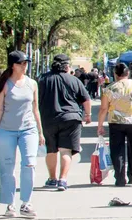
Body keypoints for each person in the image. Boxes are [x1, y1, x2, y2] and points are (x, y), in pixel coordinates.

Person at [0, 51, 45, 218]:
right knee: (7, 168)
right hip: (6, 131)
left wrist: (40, 132)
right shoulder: (4, 85)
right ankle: (9, 204)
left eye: (26, 63)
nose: (24, 66)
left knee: (29, 164)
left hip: (28, 130)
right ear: (13, 65)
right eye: (21, 63)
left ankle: (26, 203)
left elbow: (36, 109)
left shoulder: (32, 83)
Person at [36, 54, 91, 192]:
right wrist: (88, 115)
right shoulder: (74, 80)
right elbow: (86, 99)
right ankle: (63, 179)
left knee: (51, 150)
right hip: (71, 118)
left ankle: (52, 179)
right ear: (67, 66)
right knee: (66, 150)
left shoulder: (42, 79)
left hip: (48, 119)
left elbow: (33, 100)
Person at [97, 63, 132, 186]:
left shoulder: (109, 88)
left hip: (116, 122)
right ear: (128, 73)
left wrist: (100, 125)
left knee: (117, 151)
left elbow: (103, 109)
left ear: (115, 74)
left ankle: (120, 178)